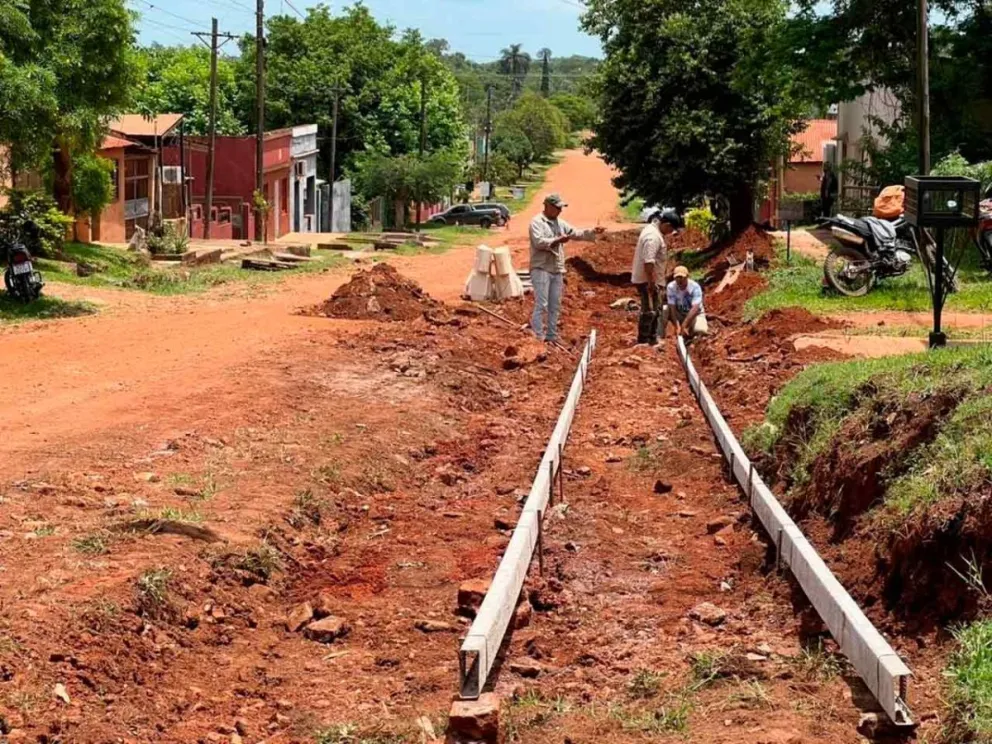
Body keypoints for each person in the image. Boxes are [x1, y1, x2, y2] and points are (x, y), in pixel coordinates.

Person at [528, 194, 605, 343]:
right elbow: (539, 242)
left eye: (560, 208)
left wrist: (592, 231)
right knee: (542, 304)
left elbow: (575, 233)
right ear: (547, 206)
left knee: (554, 304)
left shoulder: (560, 223)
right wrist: (557, 240)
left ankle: (552, 335)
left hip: (556, 268)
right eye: (557, 208)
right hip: (541, 268)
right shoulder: (537, 222)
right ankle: (538, 336)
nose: (559, 211)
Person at [631, 209, 683, 345]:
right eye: (671, 230)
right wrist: (651, 283)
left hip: (651, 279)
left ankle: (652, 339)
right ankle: (644, 341)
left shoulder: (653, 231)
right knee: (649, 311)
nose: (671, 233)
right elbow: (649, 262)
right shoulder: (653, 237)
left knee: (656, 309)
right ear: (666, 225)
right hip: (647, 280)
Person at [663, 266, 709, 339]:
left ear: (687, 277)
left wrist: (685, 325)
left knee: (700, 330)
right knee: (664, 309)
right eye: (677, 278)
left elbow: (695, 308)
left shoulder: (695, 287)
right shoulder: (671, 287)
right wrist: (677, 325)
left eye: (682, 277)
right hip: (679, 314)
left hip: (694, 315)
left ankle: (691, 335)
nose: (679, 280)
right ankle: (661, 334)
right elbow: (672, 307)